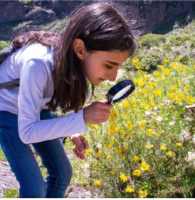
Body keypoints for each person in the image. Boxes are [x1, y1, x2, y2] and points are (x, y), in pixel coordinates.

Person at [0, 2, 137, 198]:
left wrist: (72, 130)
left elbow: (48, 102)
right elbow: (27, 132)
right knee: (34, 188)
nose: (113, 77)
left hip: (37, 108)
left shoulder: (76, 66)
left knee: (63, 173)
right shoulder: (37, 64)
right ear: (80, 49)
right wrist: (81, 119)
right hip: (5, 109)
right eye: (108, 65)